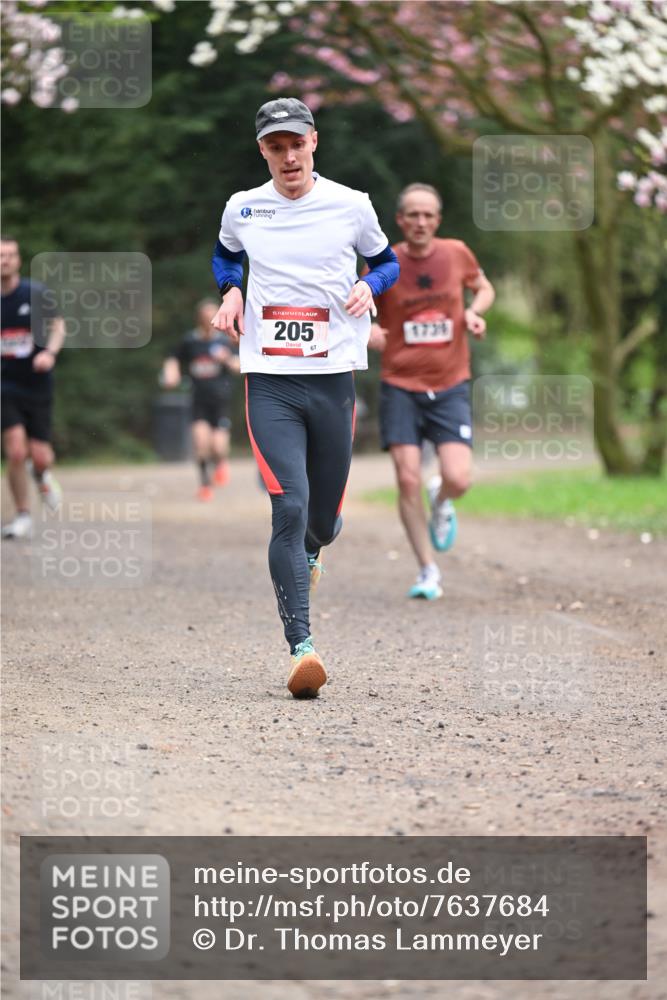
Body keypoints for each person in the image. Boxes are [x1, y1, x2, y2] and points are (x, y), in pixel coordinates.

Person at [210, 97, 399, 698]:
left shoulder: (352, 205)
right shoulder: (244, 207)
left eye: (297, 143)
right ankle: (302, 649)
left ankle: (316, 547)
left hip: (334, 376)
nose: (288, 155)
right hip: (269, 377)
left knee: (322, 520)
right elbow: (226, 254)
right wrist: (231, 291)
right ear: (261, 150)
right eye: (275, 146)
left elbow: (386, 261)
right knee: (288, 507)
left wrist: (370, 286)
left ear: (314, 141)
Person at [368, 183, 495, 600]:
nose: (420, 222)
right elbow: (357, 305)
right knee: (406, 478)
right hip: (400, 384)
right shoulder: (385, 263)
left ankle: (443, 497)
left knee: (459, 477)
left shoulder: (457, 252)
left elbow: (484, 287)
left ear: (437, 221)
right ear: (400, 221)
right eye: (412, 215)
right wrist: (367, 329)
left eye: (428, 215)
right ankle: (427, 570)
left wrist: (474, 314)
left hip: (450, 381)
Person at [1, 235, 65, 539]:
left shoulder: (35, 293)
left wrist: (49, 353)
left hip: (37, 384)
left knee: (40, 456)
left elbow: (58, 326)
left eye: (10, 255)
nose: (5, 260)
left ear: (18, 259)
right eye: (1, 255)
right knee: (15, 451)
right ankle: (23, 514)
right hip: (4, 384)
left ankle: (41, 474)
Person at [162, 298, 240, 501]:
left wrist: (228, 360)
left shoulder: (225, 341)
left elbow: (239, 367)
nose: (209, 320)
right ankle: (205, 485)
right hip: (198, 399)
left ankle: (221, 463)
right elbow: (173, 357)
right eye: (205, 317)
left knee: (218, 446)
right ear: (199, 319)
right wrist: (171, 373)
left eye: (212, 316)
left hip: (220, 400)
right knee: (200, 442)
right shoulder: (190, 341)